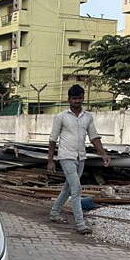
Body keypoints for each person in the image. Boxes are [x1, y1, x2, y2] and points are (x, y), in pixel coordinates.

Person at [47, 84, 111, 234]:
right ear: (69, 99)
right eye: (74, 98)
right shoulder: (61, 117)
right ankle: (80, 224)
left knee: (68, 188)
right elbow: (52, 140)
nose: (77, 101)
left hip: (81, 157)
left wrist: (103, 154)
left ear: (83, 98)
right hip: (66, 156)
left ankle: (54, 213)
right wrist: (50, 160)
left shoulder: (87, 117)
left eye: (80, 98)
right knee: (76, 189)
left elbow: (94, 137)